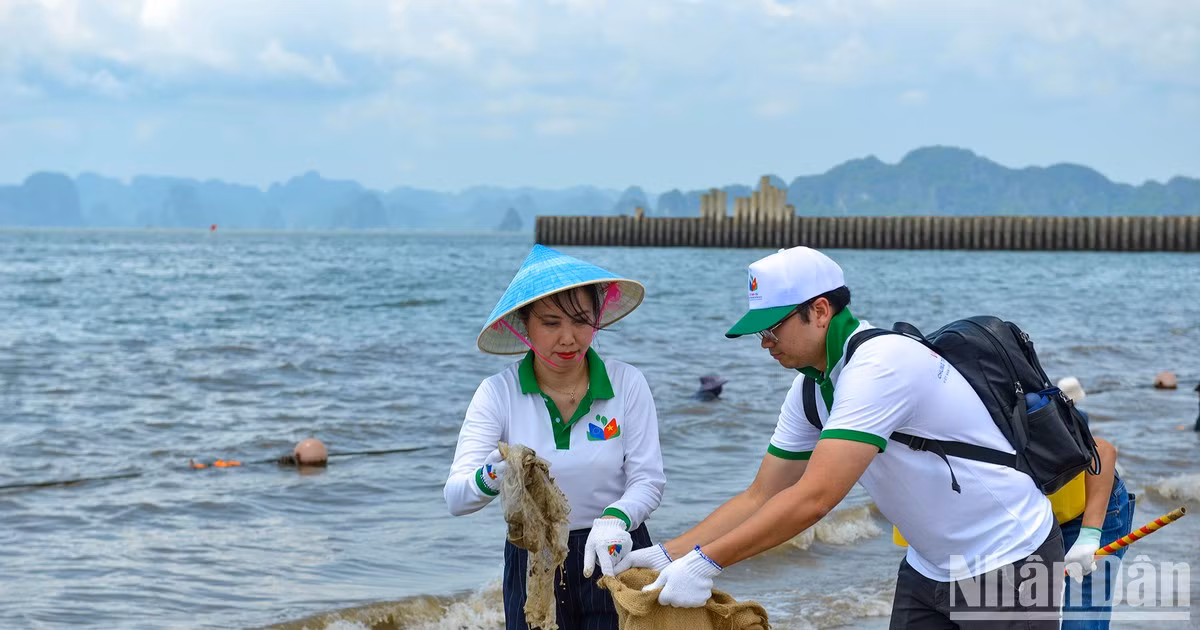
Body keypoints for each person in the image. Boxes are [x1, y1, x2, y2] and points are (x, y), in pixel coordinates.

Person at [620, 246, 1063, 629]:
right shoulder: (811, 387)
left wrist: (707, 562)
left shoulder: (880, 365)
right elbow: (761, 495)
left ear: (819, 310)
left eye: (773, 327)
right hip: (929, 567)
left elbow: (816, 498)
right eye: (759, 331)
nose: (765, 343)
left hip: (1008, 554)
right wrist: (669, 553)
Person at [443, 244, 666, 630]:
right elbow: (456, 497)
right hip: (533, 560)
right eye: (550, 323)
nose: (569, 338)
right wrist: (494, 475)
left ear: (597, 318)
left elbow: (648, 480)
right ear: (522, 324)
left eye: (581, 320)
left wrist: (616, 517)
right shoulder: (498, 393)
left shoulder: (627, 383)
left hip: (616, 549)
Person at [1054, 377, 1135, 630]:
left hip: (1090, 508)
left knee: (1080, 621)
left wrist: (1089, 535)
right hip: (1040, 523)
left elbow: (1103, 451)